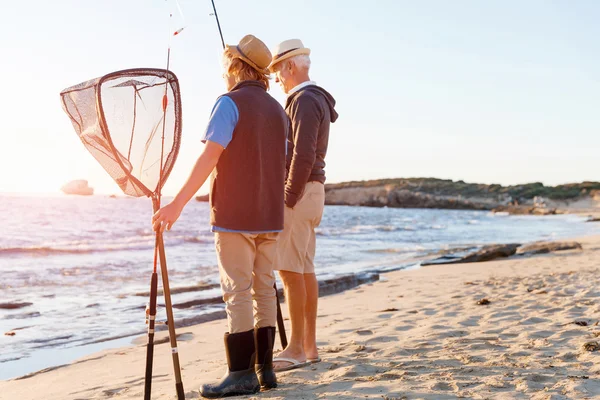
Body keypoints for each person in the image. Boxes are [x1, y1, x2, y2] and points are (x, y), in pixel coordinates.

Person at [152, 34, 288, 397]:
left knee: (238, 292)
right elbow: (281, 164)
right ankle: (266, 369)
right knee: (264, 289)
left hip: (234, 215)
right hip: (271, 217)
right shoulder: (278, 110)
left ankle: (241, 374)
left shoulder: (228, 103)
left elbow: (208, 157)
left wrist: (177, 203)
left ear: (234, 66)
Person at [268, 39, 338, 371]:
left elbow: (303, 154)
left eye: (277, 71)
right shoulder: (312, 99)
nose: (276, 79)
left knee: (290, 270)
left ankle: (295, 348)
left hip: (301, 193)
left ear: (291, 67)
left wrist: (286, 197)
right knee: (304, 269)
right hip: (313, 192)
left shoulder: (305, 101)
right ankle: (308, 346)